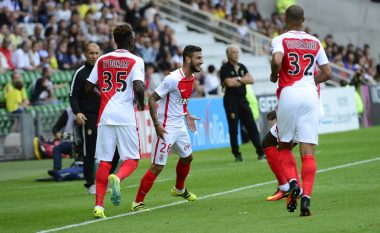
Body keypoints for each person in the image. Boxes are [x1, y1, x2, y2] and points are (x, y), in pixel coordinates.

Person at [270, 5, 332, 216]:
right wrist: (307, 81)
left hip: (289, 93)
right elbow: (327, 73)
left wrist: (273, 74)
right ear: (303, 19)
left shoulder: (281, 39)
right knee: (308, 153)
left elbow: (277, 61)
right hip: (310, 95)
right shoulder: (315, 41)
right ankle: (306, 199)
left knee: (284, 146)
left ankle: (293, 183)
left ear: (285, 18)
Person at [130, 45, 202, 211]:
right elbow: (152, 99)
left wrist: (187, 114)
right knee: (157, 166)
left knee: (187, 157)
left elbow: (181, 101)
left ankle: (179, 189)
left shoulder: (191, 78)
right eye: (198, 58)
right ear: (188, 59)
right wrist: (157, 124)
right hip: (166, 127)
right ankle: (137, 202)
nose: (201, 61)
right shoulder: (172, 79)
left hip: (180, 126)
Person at [86, 24, 145, 218]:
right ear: (130, 39)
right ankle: (118, 178)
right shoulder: (135, 60)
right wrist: (142, 104)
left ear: (114, 40)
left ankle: (99, 207)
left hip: (105, 115)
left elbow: (87, 87)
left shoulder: (102, 59)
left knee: (104, 161)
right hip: (125, 116)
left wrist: (103, 95)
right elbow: (138, 87)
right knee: (132, 159)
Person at [69, 42, 119, 194]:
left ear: (101, 53)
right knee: (89, 150)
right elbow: (72, 96)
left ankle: (108, 178)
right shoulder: (80, 73)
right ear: (85, 54)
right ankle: (91, 183)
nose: (94, 56)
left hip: (107, 115)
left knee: (115, 149)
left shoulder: (107, 71)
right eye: (91, 53)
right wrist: (77, 112)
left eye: (97, 53)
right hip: (89, 115)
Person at [219, 45, 265, 161]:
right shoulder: (224, 68)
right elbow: (228, 83)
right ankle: (237, 154)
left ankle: (260, 152)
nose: (236, 54)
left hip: (243, 101)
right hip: (231, 101)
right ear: (229, 55)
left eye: (237, 52)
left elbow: (251, 80)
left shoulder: (242, 66)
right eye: (234, 52)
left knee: (252, 127)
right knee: (234, 129)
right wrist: (242, 79)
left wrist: (237, 79)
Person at [47, 107, 75, 175]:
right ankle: (57, 170)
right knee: (57, 149)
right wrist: (56, 133)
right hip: (70, 141)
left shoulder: (88, 108)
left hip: (85, 141)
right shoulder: (69, 111)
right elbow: (56, 128)